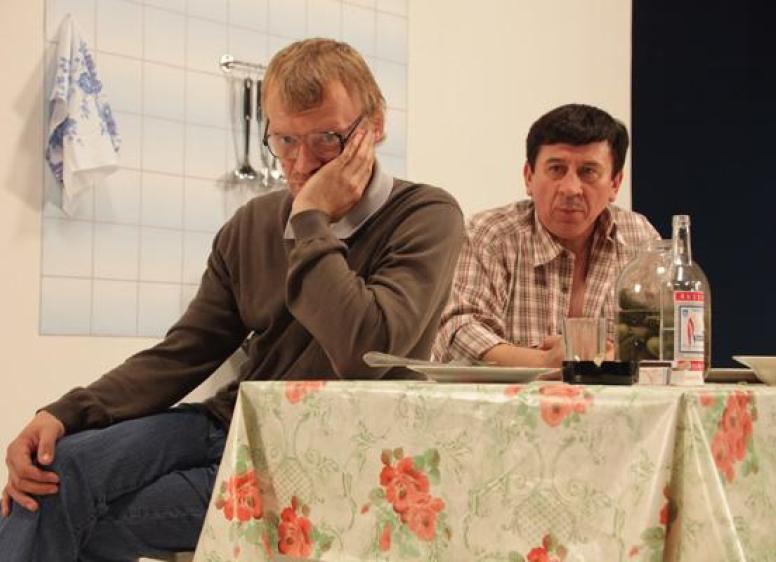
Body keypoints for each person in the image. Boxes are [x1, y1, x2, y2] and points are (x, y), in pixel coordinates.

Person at [0, 38, 464, 561]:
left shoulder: (426, 216)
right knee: (57, 468)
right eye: (284, 140)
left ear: (374, 125)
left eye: (327, 139)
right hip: (234, 423)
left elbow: (364, 348)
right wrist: (64, 413)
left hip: (327, 457)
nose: (302, 163)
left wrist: (310, 220)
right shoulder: (252, 224)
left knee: (58, 510)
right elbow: (185, 352)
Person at [433, 103, 658, 367]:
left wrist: (612, 357)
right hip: (510, 395)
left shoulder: (641, 240)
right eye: (556, 169)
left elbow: (664, 338)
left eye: (588, 172)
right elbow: (458, 329)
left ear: (615, 184)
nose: (570, 188)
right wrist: (546, 362)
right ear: (529, 177)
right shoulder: (489, 234)